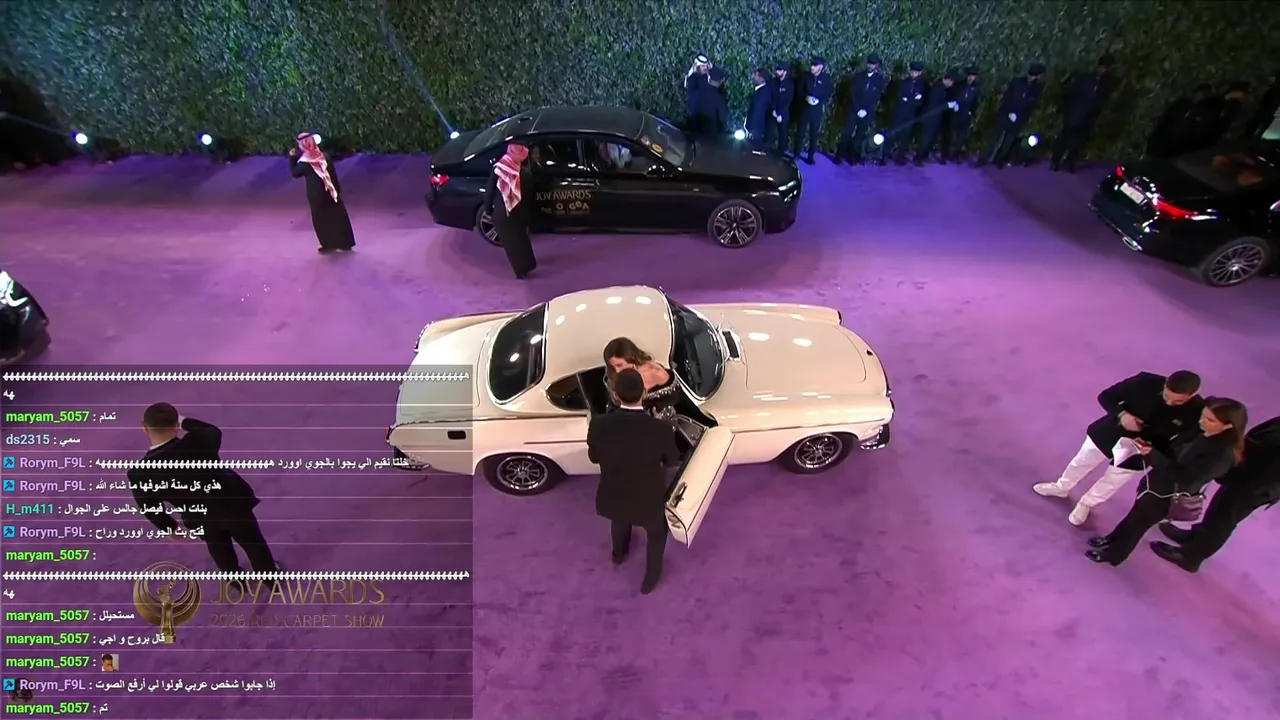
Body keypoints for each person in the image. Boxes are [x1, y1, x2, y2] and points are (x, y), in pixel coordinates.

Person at [1086, 398, 1247, 566]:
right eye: (1203, 416)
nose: (1202, 421)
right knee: (1134, 516)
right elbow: (1174, 450)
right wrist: (1151, 449)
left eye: (1210, 420)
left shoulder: (1222, 455)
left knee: (1138, 525)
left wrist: (1153, 455)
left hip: (1167, 495)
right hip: (1157, 485)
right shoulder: (1202, 433)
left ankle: (1115, 554)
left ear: (1228, 426)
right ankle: (1112, 539)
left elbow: (1184, 477)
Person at [1033, 370, 1203, 526]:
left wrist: (1153, 451)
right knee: (1082, 461)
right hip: (1110, 432)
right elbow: (1107, 396)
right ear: (1165, 383)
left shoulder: (1198, 412)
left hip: (1141, 450)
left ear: (1193, 394)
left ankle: (1086, 503)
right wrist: (1122, 415)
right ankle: (1062, 487)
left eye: (1178, 401)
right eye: (1167, 396)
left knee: (1113, 481)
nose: (1170, 402)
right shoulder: (1145, 381)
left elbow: (1182, 441)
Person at [129, 403, 280, 577]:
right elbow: (211, 430)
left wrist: (169, 527)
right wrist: (184, 421)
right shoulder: (198, 441)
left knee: (219, 550)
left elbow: (148, 505)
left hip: (200, 517)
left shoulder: (139, 473)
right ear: (176, 425)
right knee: (253, 542)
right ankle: (270, 577)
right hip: (233, 506)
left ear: (144, 427)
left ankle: (236, 581)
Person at [588, 368, 682, 594]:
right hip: (647, 500)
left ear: (615, 395)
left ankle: (618, 554)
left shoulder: (598, 424)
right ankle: (651, 578)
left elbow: (594, 457)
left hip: (614, 495)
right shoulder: (660, 429)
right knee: (657, 534)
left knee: (620, 520)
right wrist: (659, 427)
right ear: (645, 392)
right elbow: (672, 461)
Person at [1151, 416, 1280, 572]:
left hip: (1260, 483)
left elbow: (1268, 456)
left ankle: (1191, 556)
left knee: (1225, 517)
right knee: (1219, 505)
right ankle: (1197, 537)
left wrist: (1232, 438)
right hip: (1250, 473)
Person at [290, 132, 355, 254]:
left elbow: (295, 173)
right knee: (338, 216)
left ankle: (328, 244)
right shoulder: (324, 156)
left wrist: (292, 158)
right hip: (331, 191)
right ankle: (346, 243)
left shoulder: (305, 163)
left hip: (316, 195)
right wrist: (336, 189)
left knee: (322, 219)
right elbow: (332, 173)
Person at [1051, 55, 1114, 173]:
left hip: (1088, 118)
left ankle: (1070, 162)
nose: (1103, 70)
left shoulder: (1106, 84)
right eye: (1102, 67)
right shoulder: (1085, 79)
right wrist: (1070, 112)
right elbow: (1073, 95)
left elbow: (1102, 101)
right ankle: (1055, 161)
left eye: (1106, 68)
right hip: (1074, 113)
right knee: (1064, 138)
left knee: (1078, 142)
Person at [483, 143, 537, 279]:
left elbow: (489, 192)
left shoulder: (498, 170)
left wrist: (488, 210)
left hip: (504, 213)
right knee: (522, 238)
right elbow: (529, 195)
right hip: (521, 212)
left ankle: (521, 270)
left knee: (511, 242)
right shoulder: (526, 174)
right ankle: (529, 264)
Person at [977, 63, 1045, 169]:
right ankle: (983, 158)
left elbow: (1031, 105)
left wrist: (1019, 115)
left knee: (1008, 141)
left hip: (1019, 119)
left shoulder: (1037, 88)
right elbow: (1007, 98)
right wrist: (1010, 112)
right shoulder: (1017, 82)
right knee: (994, 137)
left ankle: (999, 159)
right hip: (1005, 114)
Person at [603, 337, 680, 420]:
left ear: (631, 359)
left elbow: (674, 397)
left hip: (655, 421)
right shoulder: (613, 374)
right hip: (623, 418)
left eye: (619, 365)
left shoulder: (655, 372)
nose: (617, 370)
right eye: (612, 366)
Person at [835, 54, 886, 165]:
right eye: (869, 63)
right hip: (854, 110)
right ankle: (839, 155)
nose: (870, 66)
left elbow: (876, 97)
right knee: (847, 133)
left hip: (867, 112)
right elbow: (852, 93)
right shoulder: (858, 76)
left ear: (876, 66)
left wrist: (866, 110)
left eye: (873, 64)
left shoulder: (879, 79)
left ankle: (853, 157)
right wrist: (858, 108)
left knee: (860, 135)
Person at [1146, 84, 1214, 158]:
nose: (1202, 98)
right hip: (1164, 142)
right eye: (1202, 94)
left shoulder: (1199, 111)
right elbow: (1167, 121)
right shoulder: (1182, 104)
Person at [887, 61, 927, 165]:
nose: (914, 74)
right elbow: (900, 98)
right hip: (900, 113)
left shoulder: (921, 86)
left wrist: (908, 99)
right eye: (912, 71)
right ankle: (885, 155)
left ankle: (900, 156)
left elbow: (919, 101)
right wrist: (913, 99)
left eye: (916, 72)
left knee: (905, 136)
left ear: (920, 73)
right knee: (893, 133)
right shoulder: (903, 83)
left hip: (910, 114)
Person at [795, 56, 833, 165]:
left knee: (814, 133)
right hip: (805, 108)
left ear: (820, 67)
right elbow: (799, 91)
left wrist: (818, 99)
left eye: (815, 65)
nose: (812, 67)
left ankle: (811, 157)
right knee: (801, 131)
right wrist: (806, 97)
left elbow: (828, 93)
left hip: (816, 110)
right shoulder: (806, 77)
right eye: (812, 65)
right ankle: (797, 153)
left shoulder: (826, 79)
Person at [915, 70, 956, 165]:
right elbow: (934, 105)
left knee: (931, 138)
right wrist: (947, 105)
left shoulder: (942, 88)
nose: (952, 84)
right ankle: (918, 157)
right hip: (930, 118)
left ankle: (924, 155)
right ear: (948, 80)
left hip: (935, 118)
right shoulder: (937, 88)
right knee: (925, 139)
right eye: (952, 82)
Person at [945, 66, 982, 163]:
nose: (971, 78)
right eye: (969, 75)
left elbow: (976, 102)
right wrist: (953, 105)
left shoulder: (976, 88)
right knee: (950, 133)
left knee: (962, 136)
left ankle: (956, 154)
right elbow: (951, 95)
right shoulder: (959, 85)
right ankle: (946, 154)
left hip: (966, 114)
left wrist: (972, 112)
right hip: (956, 111)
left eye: (973, 76)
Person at [769, 62, 795, 155]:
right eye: (777, 69)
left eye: (779, 70)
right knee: (770, 132)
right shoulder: (773, 82)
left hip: (783, 113)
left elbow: (788, 100)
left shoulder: (790, 84)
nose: (777, 71)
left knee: (783, 135)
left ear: (785, 72)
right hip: (772, 112)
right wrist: (773, 110)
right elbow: (771, 97)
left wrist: (780, 113)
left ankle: (781, 153)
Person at [683, 54, 713, 132]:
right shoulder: (693, 78)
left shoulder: (705, 76)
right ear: (698, 66)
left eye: (706, 66)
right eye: (703, 66)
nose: (705, 68)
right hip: (696, 115)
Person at [1245, 72, 1279, 137]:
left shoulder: (1274, 90)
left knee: (1257, 124)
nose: (1270, 78)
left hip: (1266, 111)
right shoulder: (1272, 89)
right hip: (1268, 112)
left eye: (1273, 77)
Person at [746, 68, 772, 151]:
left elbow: (758, 111)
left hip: (756, 130)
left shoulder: (762, 93)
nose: (753, 76)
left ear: (761, 78)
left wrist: (752, 129)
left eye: (756, 75)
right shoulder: (763, 90)